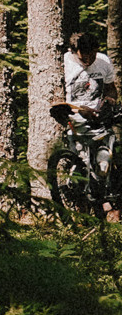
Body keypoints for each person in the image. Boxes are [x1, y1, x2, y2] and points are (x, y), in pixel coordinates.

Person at [61, 30, 119, 220]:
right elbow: (55, 95)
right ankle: (82, 214)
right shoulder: (64, 63)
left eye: (92, 55)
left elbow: (111, 88)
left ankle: (108, 206)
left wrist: (110, 99)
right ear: (73, 51)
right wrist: (78, 109)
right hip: (74, 118)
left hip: (99, 117)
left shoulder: (103, 61)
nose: (88, 60)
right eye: (83, 57)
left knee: (105, 161)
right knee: (80, 164)